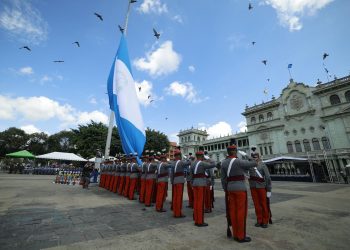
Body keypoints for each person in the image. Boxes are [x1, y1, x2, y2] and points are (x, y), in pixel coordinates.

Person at [220, 144, 257, 243]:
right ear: (235, 151)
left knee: (233, 211)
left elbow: (223, 179)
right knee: (241, 212)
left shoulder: (223, 163)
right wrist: (247, 155)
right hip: (240, 189)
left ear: (227, 152)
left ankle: (235, 233)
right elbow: (254, 163)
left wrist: (226, 189)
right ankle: (241, 236)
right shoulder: (239, 161)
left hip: (230, 189)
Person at [190, 150, 216, 227]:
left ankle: (196, 219)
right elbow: (213, 164)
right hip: (201, 184)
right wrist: (209, 159)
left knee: (196, 202)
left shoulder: (192, 164)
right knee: (200, 202)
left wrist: (192, 183)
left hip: (194, 184)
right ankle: (200, 221)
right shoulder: (202, 163)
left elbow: (191, 176)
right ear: (202, 156)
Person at [249, 152, 272, 228]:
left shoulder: (263, 165)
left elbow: (268, 177)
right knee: (256, 205)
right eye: (253, 157)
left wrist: (268, 189)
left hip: (261, 187)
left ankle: (265, 221)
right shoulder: (250, 165)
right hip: (253, 187)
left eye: (255, 157)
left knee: (263, 204)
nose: (254, 158)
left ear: (259, 157)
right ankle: (259, 220)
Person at [170, 150, 190, 218]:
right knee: (179, 197)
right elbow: (189, 162)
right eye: (180, 155)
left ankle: (175, 212)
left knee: (175, 197)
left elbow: (171, 174)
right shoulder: (181, 162)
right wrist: (188, 158)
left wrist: (172, 181)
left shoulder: (173, 163)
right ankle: (178, 213)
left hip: (175, 181)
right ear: (179, 156)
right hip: (180, 181)